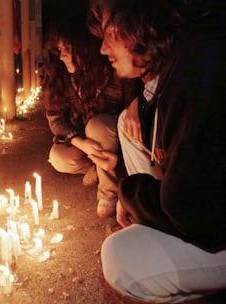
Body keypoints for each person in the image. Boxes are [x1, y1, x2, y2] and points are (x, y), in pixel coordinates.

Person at [91, 0, 226, 302]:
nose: (102, 49)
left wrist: (130, 192)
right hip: (202, 206)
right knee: (128, 122)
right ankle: (149, 224)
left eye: (109, 33)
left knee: (122, 258)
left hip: (208, 220)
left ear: (138, 19)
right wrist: (140, 104)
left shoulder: (199, 66)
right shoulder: (188, 51)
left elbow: (193, 213)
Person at [43, 20, 142, 218]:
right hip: (83, 142)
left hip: (109, 136)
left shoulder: (113, 72)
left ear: (85, 48)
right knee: (58, 157)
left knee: (97, 126)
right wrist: (80, 143)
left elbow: (135, 95)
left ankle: (108, 193)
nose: (62, 56)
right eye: (59, 50)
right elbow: (55, 119)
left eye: (68, 49)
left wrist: (134, 105)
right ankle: (97, 167)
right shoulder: (59, 77)